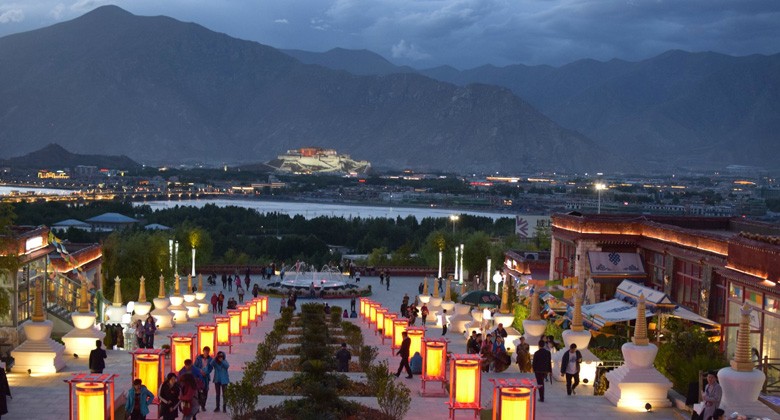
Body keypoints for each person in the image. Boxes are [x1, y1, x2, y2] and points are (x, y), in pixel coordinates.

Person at [194, 347, 214, 411]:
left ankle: (203, 405)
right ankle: (197, 406)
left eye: (207, 352)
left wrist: (206, 372)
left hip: (206, 377)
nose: (206, 353)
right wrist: (200, 371)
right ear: (203, 351)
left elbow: (211, 368)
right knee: (197, 392)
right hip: (199, 377)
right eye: (205, 351)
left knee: (205, 391)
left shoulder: (210, 359)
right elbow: (195, 366)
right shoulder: (198, 358)